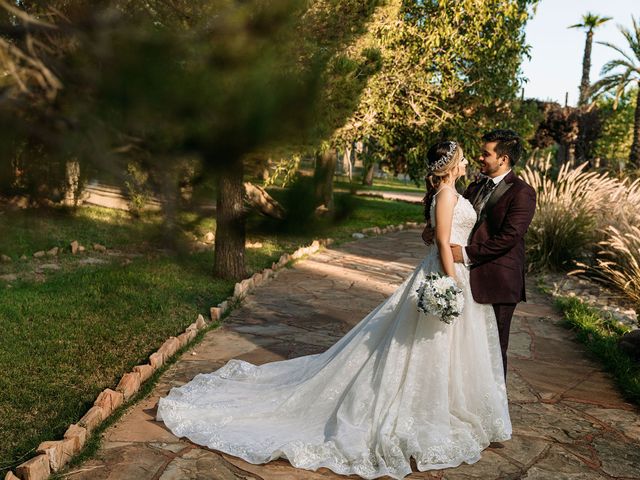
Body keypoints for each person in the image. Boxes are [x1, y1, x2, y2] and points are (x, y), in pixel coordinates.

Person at [156, 141, 511, 480]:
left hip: (449, 272)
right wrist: (450, 285)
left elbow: (437, 233)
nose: (467, 162)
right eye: (463, 158)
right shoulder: (447, 194)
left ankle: (444, 405)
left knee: (444, 346)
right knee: (427, 343)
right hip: (446, 274)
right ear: (450, 165)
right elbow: (444, 243)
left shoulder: (446, 194)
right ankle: (425, 411)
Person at [445, 129, 536, 379]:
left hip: (499, 281)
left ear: (503, 159)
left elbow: (508, 238)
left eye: (486, 154)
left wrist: (464, 254)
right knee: (467, 346)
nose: (480, 158)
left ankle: (495, 408)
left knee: (493, 349)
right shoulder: (475, 186)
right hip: (467, 278)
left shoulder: (522, 193)